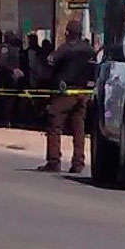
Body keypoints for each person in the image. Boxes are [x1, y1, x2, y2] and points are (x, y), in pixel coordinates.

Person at [38, 20, 95, 173]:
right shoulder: (89, 50)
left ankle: (54, 160)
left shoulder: (65, 49)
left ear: (68, 33)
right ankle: (78, 163)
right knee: (79, 129)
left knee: (54, 124)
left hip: (65, 92)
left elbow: (49, 64)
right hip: (83, 93)